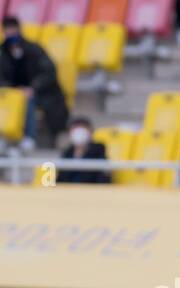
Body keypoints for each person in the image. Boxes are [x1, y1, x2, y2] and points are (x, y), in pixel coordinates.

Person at [0, 15, 69, 150]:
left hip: (40, 92)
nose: (10, 32)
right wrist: (10, 89)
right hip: (10, 93)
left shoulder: (34, 49)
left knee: (27, 100)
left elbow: (49, 72)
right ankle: (3, 137)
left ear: (18, 29)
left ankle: (29, 137)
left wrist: (33, 88)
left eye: (12, 28)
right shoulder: (2, 52)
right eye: (7, 29)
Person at [56, 116, 110, 184]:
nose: (79, 132)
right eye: (75, 128)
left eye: (82, 128)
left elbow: (103, 178)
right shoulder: (67, 152)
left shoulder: (99, 150)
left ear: (90, 131)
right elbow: (60, 179)